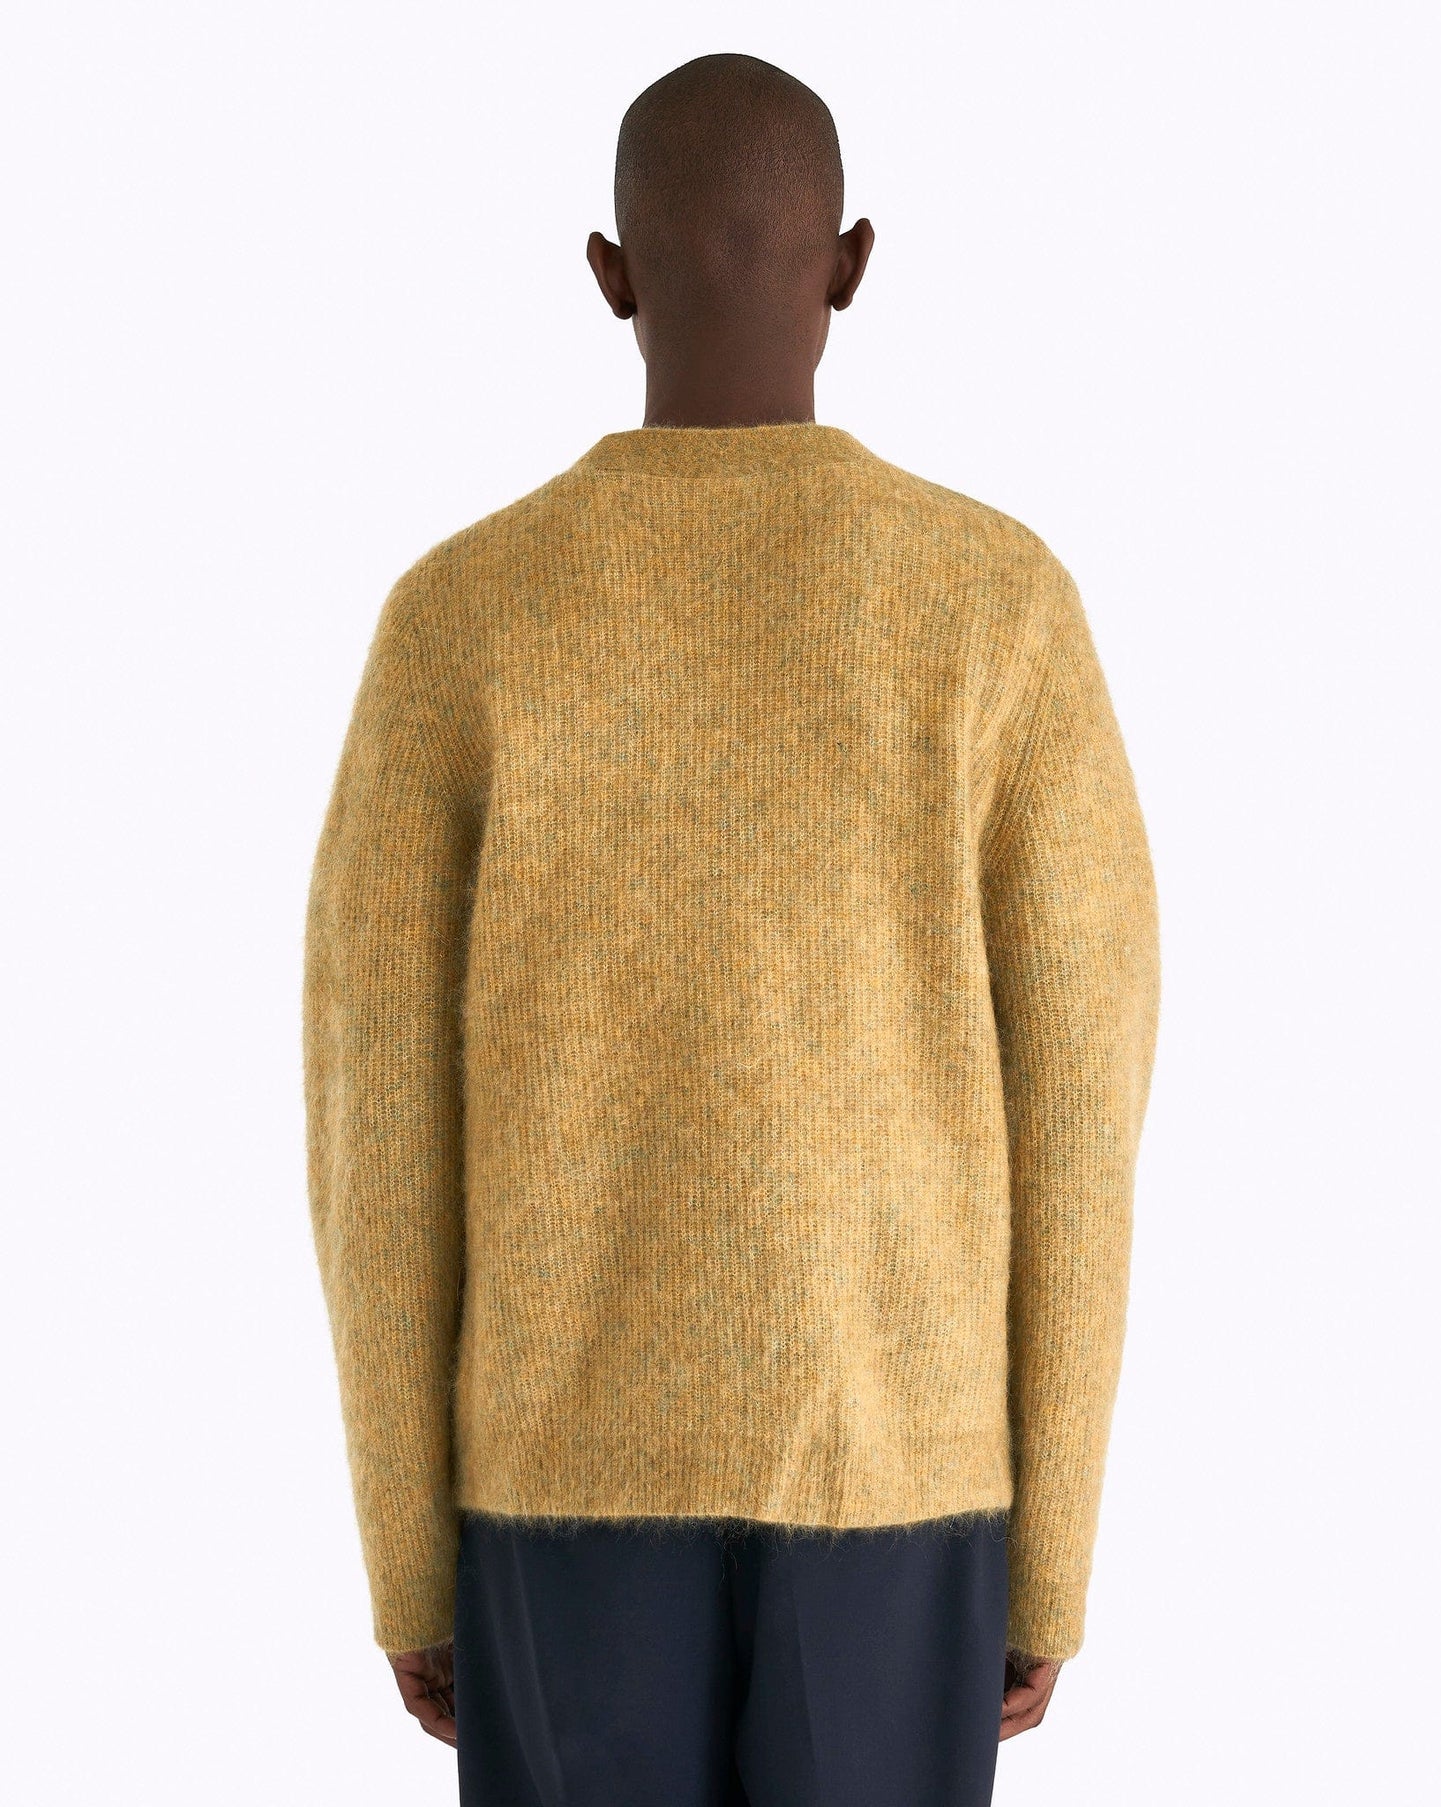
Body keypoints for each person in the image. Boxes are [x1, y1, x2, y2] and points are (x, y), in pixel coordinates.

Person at [302, 50, 1161, 1807]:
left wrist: (407, 1549)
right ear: (850, 265)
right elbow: (1082, 1097)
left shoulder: (460, 619)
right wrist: (1050, 1550)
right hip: (906, 1482)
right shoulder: (994, 606)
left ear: (608, 275)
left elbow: (372, 1123)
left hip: (551, 1491)